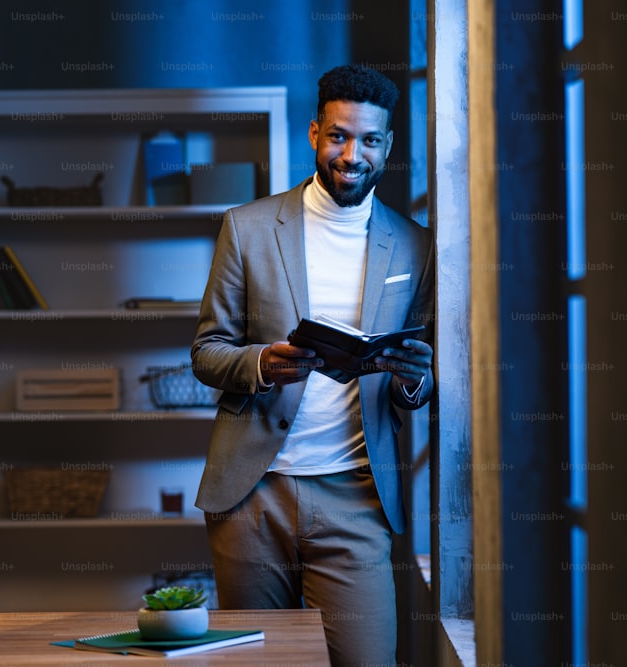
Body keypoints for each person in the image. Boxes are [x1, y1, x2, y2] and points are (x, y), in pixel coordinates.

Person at [191, 64, 435, 667]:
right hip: (253, 496)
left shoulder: (417, 246)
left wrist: (411, 381)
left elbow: (423, 381)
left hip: (356, 496)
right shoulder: (246, 229)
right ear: (314, 134)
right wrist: (261, 365)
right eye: (339, 136)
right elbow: (207, 352)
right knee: (256, 665)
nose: (352, 155)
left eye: (369, 140)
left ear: (388, 146)